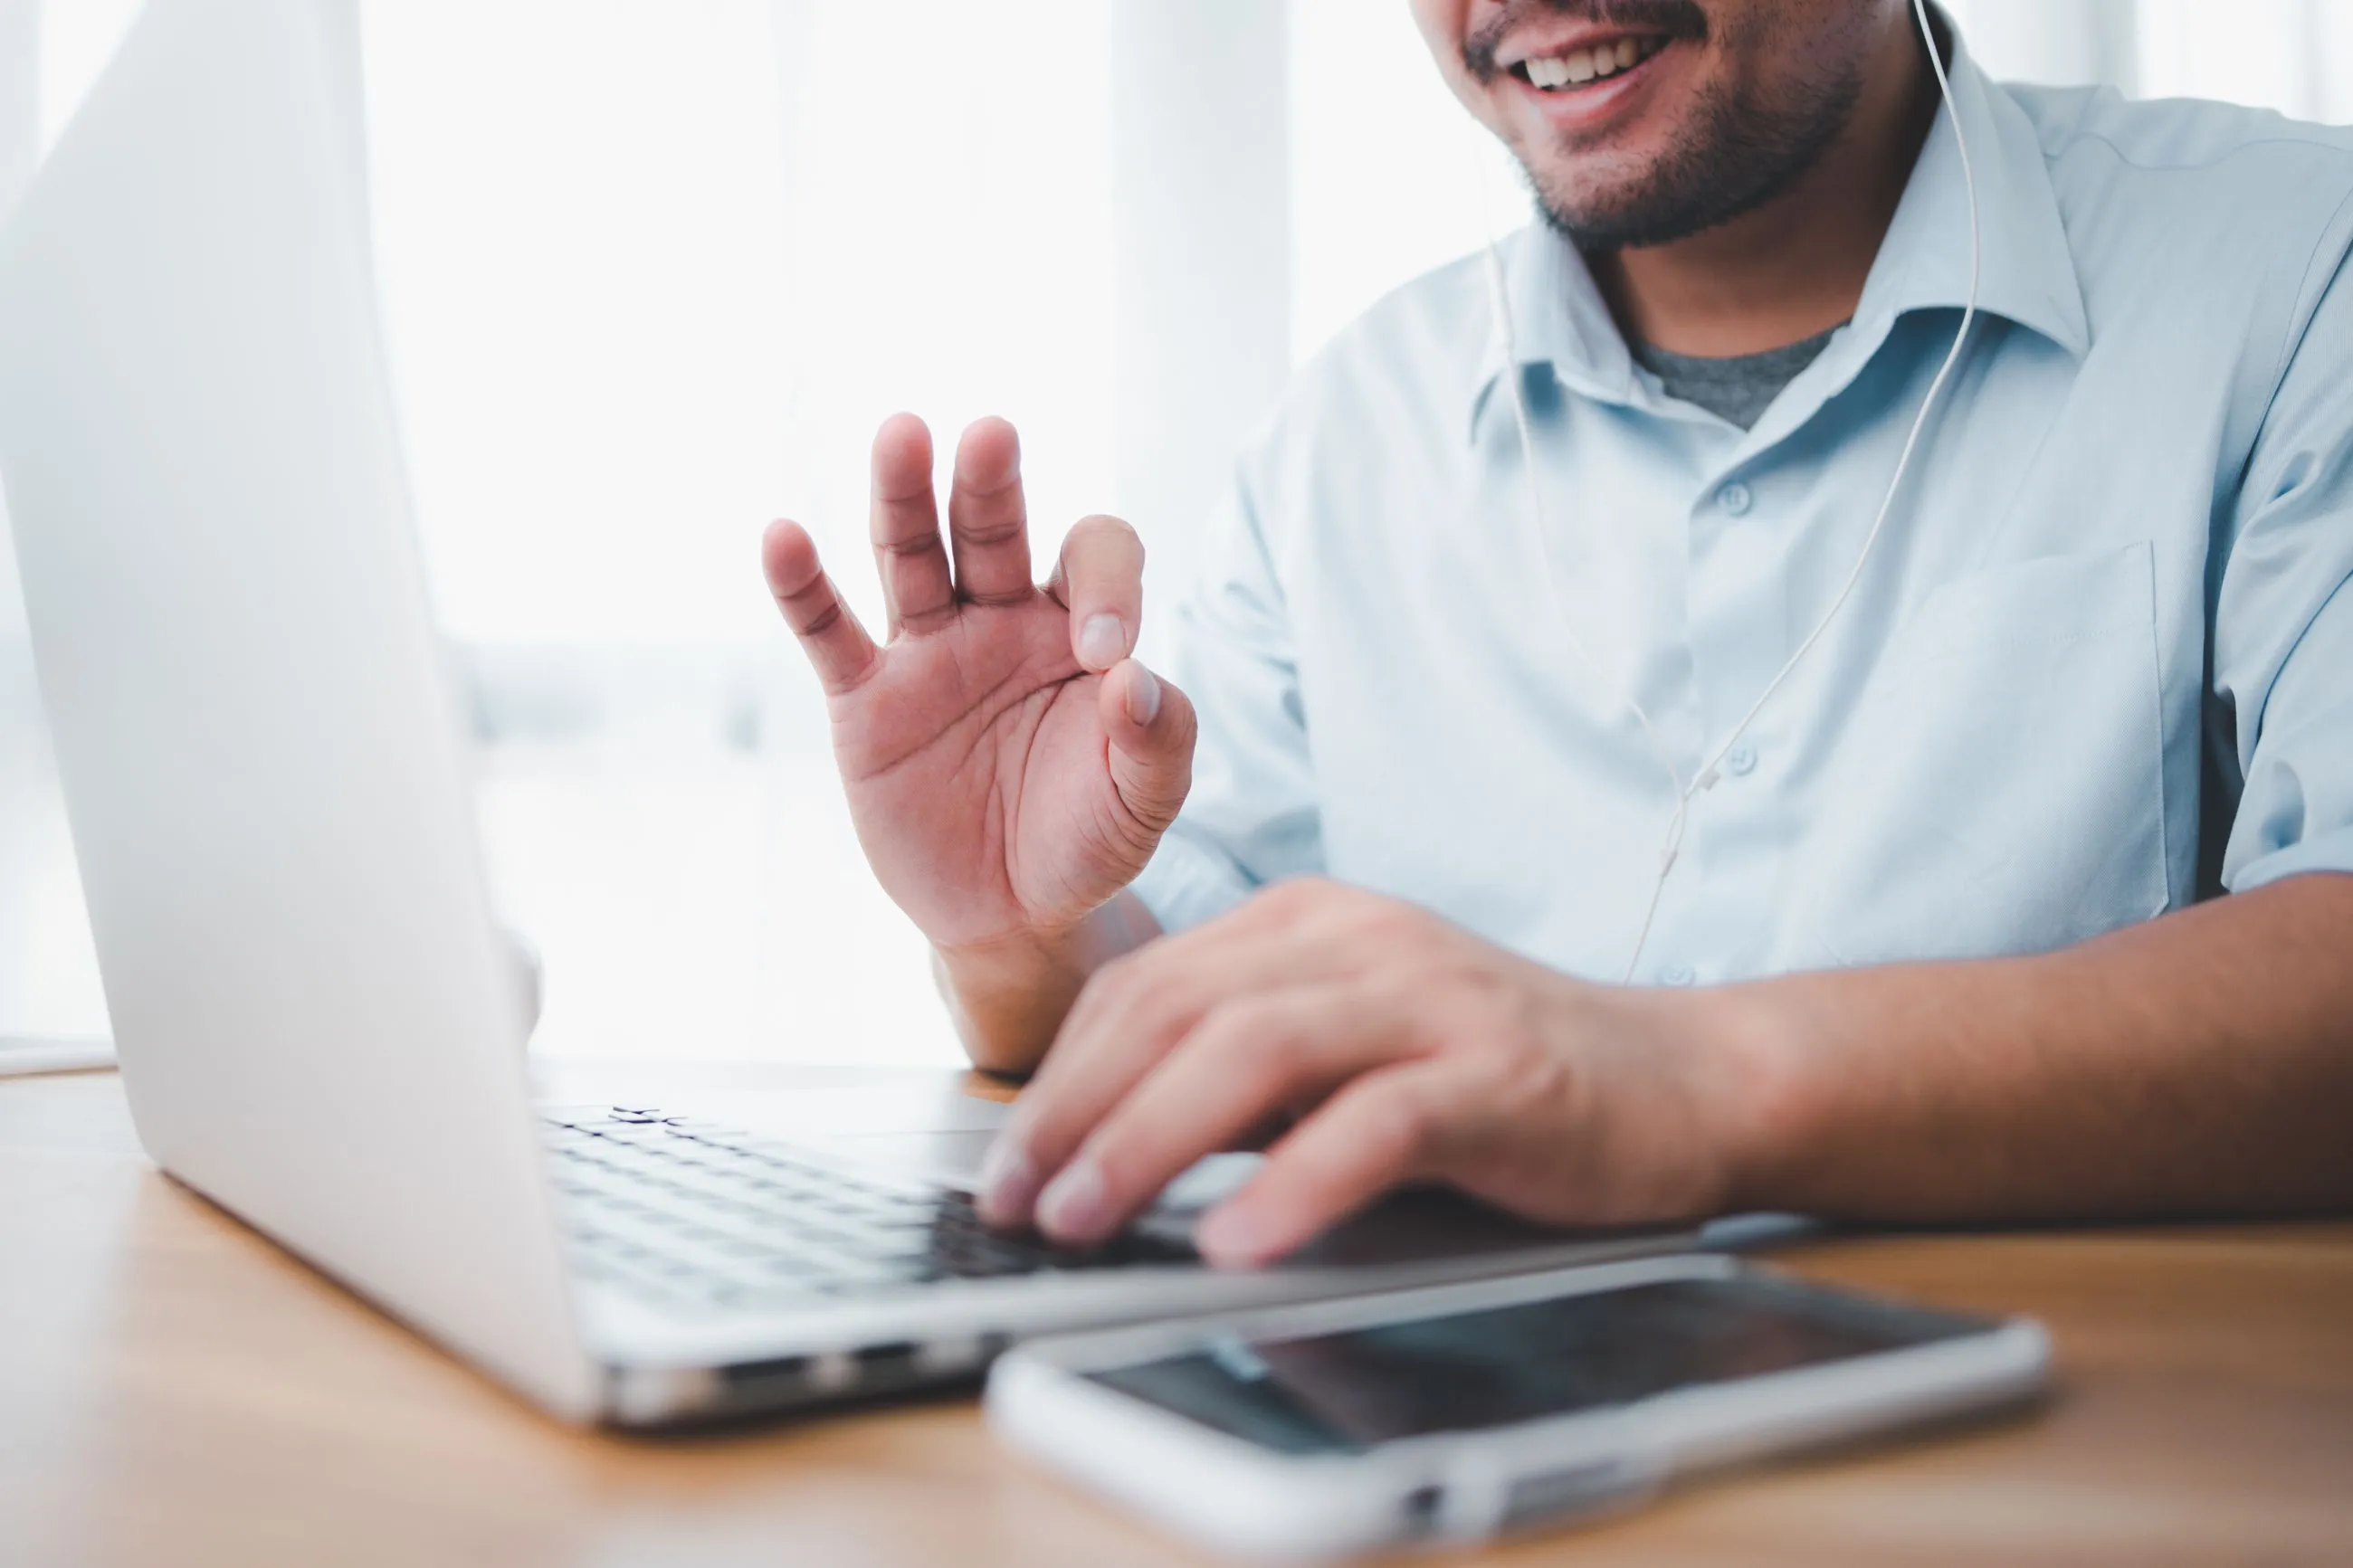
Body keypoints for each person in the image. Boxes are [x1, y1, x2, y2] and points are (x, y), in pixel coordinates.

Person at [761, 0, 2353, 1268]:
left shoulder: (2294, 269)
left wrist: (1675, 1077)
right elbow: (1167, 1007)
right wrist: (1023, 930)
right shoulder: (1352, 433)